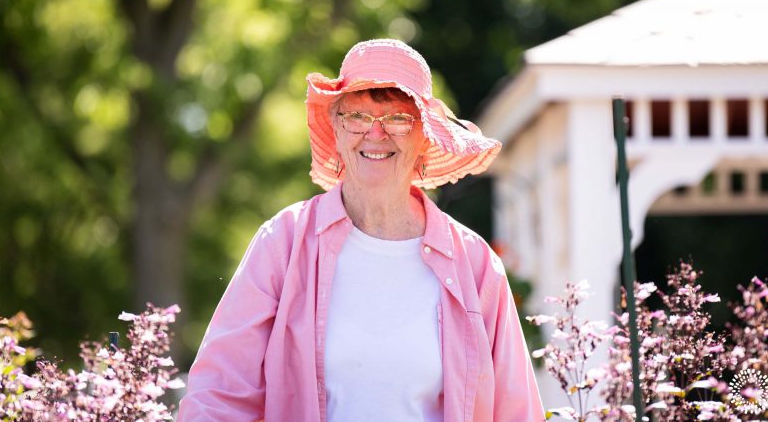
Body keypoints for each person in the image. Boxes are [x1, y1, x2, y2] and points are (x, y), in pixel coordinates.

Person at [177, 39, 545, 421]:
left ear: (425, 138)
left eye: (399, 118)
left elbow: (517, 412)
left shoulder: (476, 265)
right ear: (336, 130)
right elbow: (217, 396)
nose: (376, 133)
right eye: (357, 116)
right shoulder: (283, 244)